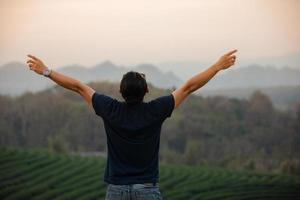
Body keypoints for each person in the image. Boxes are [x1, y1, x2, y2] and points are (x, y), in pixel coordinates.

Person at [26, 49, 237, 200]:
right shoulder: (156, 110)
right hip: (147, 190)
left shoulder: (110, 108)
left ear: (121, 92)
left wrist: (46, 71)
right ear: (146, 91)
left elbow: (78, 87)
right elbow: (189, 87)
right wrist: (217, 66)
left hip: (116, 191)